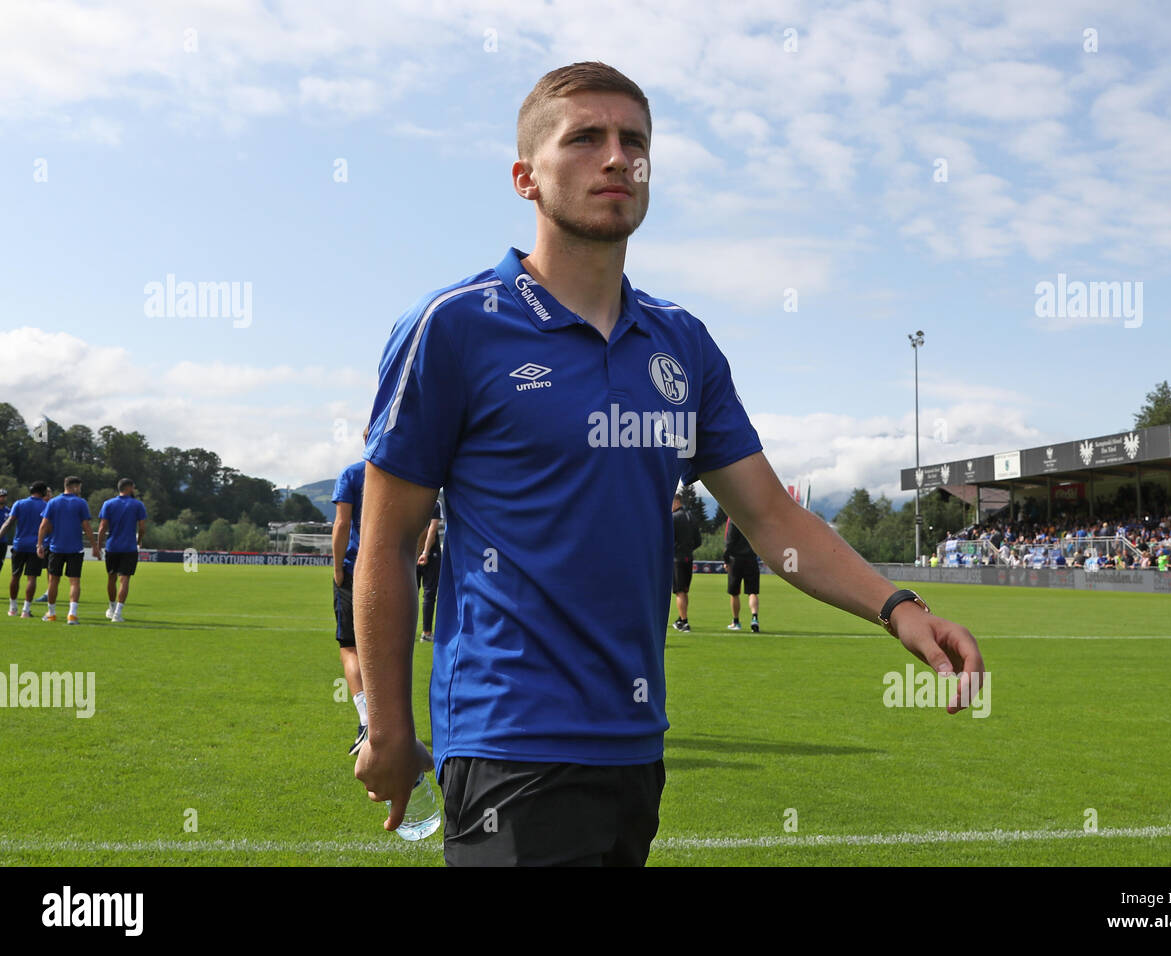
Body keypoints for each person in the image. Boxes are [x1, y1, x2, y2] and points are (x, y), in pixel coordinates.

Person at [352, 61, 983, 867]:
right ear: (525, 177)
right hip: (509, 740)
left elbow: (770, 516)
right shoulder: (454, 327)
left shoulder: (682, 341)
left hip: (636, 747)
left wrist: (899, 606)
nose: (617, 159)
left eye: (634, 141)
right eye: (585, 139)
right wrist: (389, 728)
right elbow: (388, 542)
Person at [332, 448, 369, 756]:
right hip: (393, 570)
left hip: (356, 566)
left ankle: (367, 720)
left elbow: (342, 523)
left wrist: (336, 569)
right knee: (384, 649)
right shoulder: (407, 471)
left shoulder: (353, 474)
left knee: (350, 646)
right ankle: (391, 722)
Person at [37, 476, 95, 624]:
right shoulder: (81, 503)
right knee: (74, 582)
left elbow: (43, 526)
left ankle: (51, 613)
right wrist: (95, 545)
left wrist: (39, 545)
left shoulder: (53, 502)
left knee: (53, 581)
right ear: (74, 487)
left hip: (56, 548)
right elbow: (87, 527)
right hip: (75, 549)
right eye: (79, 487)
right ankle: (72, 615)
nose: (80, 490)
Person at [0, 481, 50, 617]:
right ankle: (26, 610)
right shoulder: (46, 505)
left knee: (15, 576)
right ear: (42, 492)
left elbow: (8, 523)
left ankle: (12, 608)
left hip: (19, 545)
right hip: (36, 546)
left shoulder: (19, 503)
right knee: (32, 578)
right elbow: (49, 526)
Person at [95, 478, 147, 622]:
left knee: (111, 578)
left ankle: (111, 608)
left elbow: (102, 528)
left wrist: (99, 545)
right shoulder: (138, 505)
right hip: (129, 547)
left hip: (112, 546)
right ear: (129, 488)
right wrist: (139, 540)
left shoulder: (108, 504)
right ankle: (118, 613)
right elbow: (142, 527)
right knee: (124, 580)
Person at [670, 491, 701, 632]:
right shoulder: (691, 517)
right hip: (689, 558)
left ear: (676, 502)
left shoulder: (674, 518)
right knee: (684, 591)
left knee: (679, 592)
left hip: (677, 559)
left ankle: (684, 621)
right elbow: (698, 541)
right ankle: (681, 618)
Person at [723, 518, 760, 632]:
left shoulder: (734, 519)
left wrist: (725, 560)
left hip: (736, 560)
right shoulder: (753, 520)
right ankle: (754, 618)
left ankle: (736, 621)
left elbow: (729, 542)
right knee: (752, 592)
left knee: (734, 593)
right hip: (751, 559)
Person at [416, 496, 444, 641]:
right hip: (430, 554)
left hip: (412, 554)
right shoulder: (434, 503)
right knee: (429, 594)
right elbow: (432, 530)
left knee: (410, 594)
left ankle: (404, 632)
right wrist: (425, 552)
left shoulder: (409, 501)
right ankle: (426, 633)